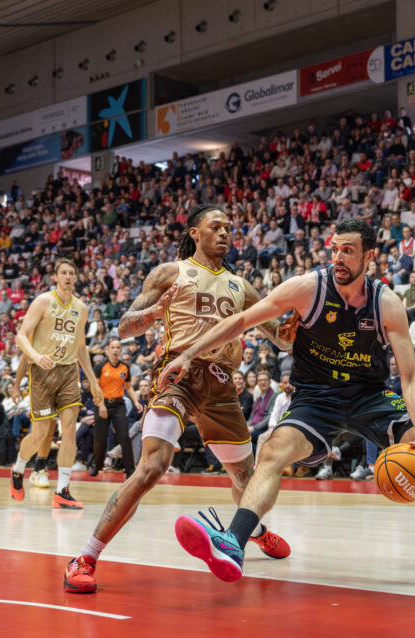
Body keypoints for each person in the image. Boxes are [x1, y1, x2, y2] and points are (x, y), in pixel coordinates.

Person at [160, 218, 415, 585]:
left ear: (368, 256)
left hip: (369, 397)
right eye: (334, 249)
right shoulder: (307, 288)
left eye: (348, 251)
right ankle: (233, 544)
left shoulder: (386, 303)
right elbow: (242, 322)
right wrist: (189, 353)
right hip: (316, 399)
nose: (338, 257)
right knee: (272, 450)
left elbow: (410, 376)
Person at [62, 204, 295, 593]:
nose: (224, 233)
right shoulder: (172, 272)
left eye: (228, 228)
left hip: (221, 386)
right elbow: (124, 327)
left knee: (247, 479)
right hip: (178, 377)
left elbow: (278, 336)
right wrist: (154, 311)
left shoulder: (241, 286)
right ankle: (84, 557)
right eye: (215, 226)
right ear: (194, 233)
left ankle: (253, 529)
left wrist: (292, 327)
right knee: (153, 467)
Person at [8, 259, 102, 508]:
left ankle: (62, 491)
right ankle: (18, 469)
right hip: (41, 371)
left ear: (76, 277)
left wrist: (93, 382)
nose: (68, 277)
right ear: (56, 277)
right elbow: (21, 336)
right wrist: (36, 356)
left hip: (68, 371)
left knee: (69, 430)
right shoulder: (43, 301)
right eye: (64, 273)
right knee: (39, 433)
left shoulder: (81, 308)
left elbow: (81, 348)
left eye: (72, 273)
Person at [90, 338, 142, 476]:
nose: (115, 350)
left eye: (118, 347)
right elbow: (94, 388)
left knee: (124, 436)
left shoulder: (125, 367)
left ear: (121, 350)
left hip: (119, 405)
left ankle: (130, 469)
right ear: (108, 349)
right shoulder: (100, 366)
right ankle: (97, 465)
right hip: (102, 404)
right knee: (100, 438)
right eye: (113, 347)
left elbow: (129, 387)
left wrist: (136, 401)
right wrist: (100, 405)